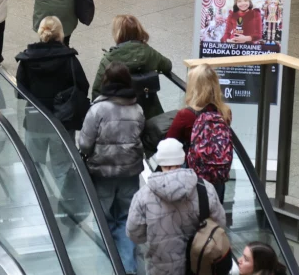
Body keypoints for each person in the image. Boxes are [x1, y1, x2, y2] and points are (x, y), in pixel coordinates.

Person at [79, 62, 145, 275]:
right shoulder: (137, 109)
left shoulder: (97, 109)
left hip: (102, 174)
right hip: (130, 173)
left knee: (103, 221)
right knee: (127, 219)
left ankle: (106, 269)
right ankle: (128, 268)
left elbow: (84, 145)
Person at [126, 137, 226, 275]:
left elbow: (134, 234)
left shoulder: (144, 195)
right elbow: (220, 224)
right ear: (182, 159)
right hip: (198, 267)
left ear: (160, 161)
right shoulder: (205, 188)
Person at [16, 16, 91, 185]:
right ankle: (64, 207)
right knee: (63, 168)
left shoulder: (27, 60)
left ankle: (39, 205)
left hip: (35, 121)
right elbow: (82, 86)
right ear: (60, 34)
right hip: (62, 123)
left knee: (35, 167)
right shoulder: (69, 59)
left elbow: (20, 92)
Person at [166, 64, 233, 201]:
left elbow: (169, 143)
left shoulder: (185, 115)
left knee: (193, 216)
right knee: (215, 216)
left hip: (193, 176)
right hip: (217, 176)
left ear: (194, 87)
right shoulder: (225, 112)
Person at [92, 14, 173, 120]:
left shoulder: (108, 59)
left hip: (120, 118)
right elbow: (167, 65)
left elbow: (97, 91)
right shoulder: (148, 52)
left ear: (117, 34)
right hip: (150, 113)